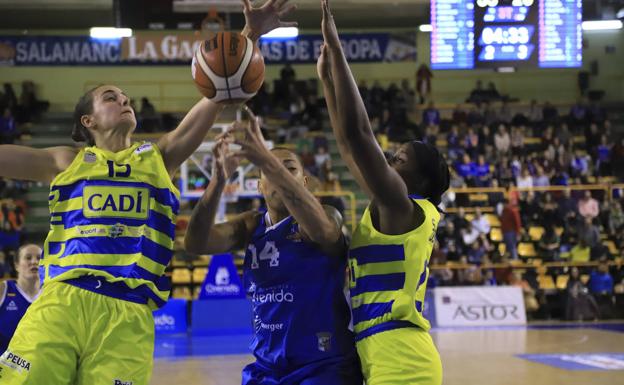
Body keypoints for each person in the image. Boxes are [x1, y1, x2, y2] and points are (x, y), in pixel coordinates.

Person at [0, 2, 295, 384]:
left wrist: (248, 36)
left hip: (129, 313)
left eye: (126, 98)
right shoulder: (66, 160)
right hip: (63, 300)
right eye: (111, 97)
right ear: (87, 121)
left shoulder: (158, 157)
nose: (124, 101)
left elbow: (219, 88)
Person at [317, 1, 449, 384]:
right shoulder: (390, 208)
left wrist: (338, 51)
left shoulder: (401, 206)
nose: (390, 159)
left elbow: (360, 136)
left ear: (418, 182)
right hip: (379, 351)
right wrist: (327, 81)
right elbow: (345, 144)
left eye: (400, 160)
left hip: (401, 358)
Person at [184, 108, 361, 385]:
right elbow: (195, 242)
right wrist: (218, 182)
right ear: (259, 186)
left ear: (304, 182)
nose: (280, 174)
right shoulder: (251, 226)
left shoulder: (328, 214)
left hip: (324, 366)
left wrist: (267, 159)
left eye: (289, 168)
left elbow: (322, 233)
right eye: (270, 169)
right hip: (267, 368)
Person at [0, 244, 41, 354]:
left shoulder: (52, 293)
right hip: (5, 366)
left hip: (39, 365)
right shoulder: (3, 289)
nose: (34, 262)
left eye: (39, 258)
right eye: (28, 258)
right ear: (16, 265)